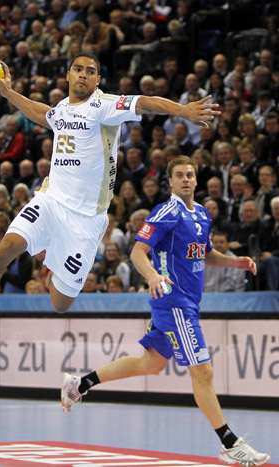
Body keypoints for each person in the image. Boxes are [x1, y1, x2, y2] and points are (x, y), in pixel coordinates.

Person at [0, 52, 219, 350]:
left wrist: (182, 110)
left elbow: (145, 102)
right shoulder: (62, 109)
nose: (83, 74)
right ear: (68, 75)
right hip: (50, 201)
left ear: (97, 79)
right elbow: (42, 114)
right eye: (78, 69)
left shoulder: (105, 106)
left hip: (86, 221)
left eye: (90, 71)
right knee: (4, 249)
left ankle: (51, 259)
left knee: (59, 303)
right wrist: (8, 93)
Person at [60, 156, 269, 465]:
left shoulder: (201, 213)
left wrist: (233, 262)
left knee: (151, 363)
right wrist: (153, 276)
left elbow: (205, 253)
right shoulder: (166, 212)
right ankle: (229, 443)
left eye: (190, 174)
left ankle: (80, 383)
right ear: (170, 182)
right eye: (179, 175)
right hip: (174, 302)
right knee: (203, 372)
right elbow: (137, 252)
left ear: (196, 180)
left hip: (186, 303)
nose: (185, 179)